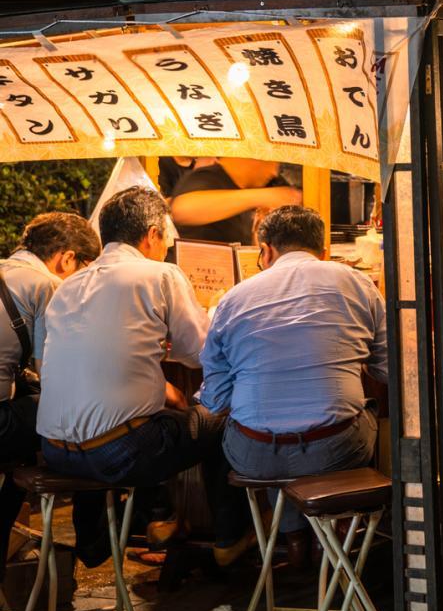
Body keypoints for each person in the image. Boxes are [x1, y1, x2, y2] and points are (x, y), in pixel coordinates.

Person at [36, 187, 249, 567]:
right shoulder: (160, 274)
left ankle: (130, 531)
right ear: (152, 234)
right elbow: (199, 353)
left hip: (54, 452)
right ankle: (228, 538)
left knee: (160, 414)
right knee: (219, 418)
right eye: (166, 237)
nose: (167, 246)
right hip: (118, 453)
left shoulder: (68, 285)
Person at [198, 206, 385, 559]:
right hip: (334, 450)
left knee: (261, 429)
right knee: (365, 413)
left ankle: (293, 539)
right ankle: (337, 531)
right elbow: (390, 369)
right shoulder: (356, 282)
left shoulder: (233, 298)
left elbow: (216, 398)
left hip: (253, 459)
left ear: (265, 251)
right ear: (323, 251)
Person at [0, 213, 99, 542]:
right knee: (86, 417)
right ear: (68, 258)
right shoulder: (47, 285)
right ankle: (92, 541)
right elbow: (53, 373)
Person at [169, 158, 301, 245]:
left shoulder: (241, 192)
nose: (274, 172)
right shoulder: (205, 177)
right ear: (252, 159)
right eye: (271, 163)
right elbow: (180, 210)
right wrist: (262, 196)